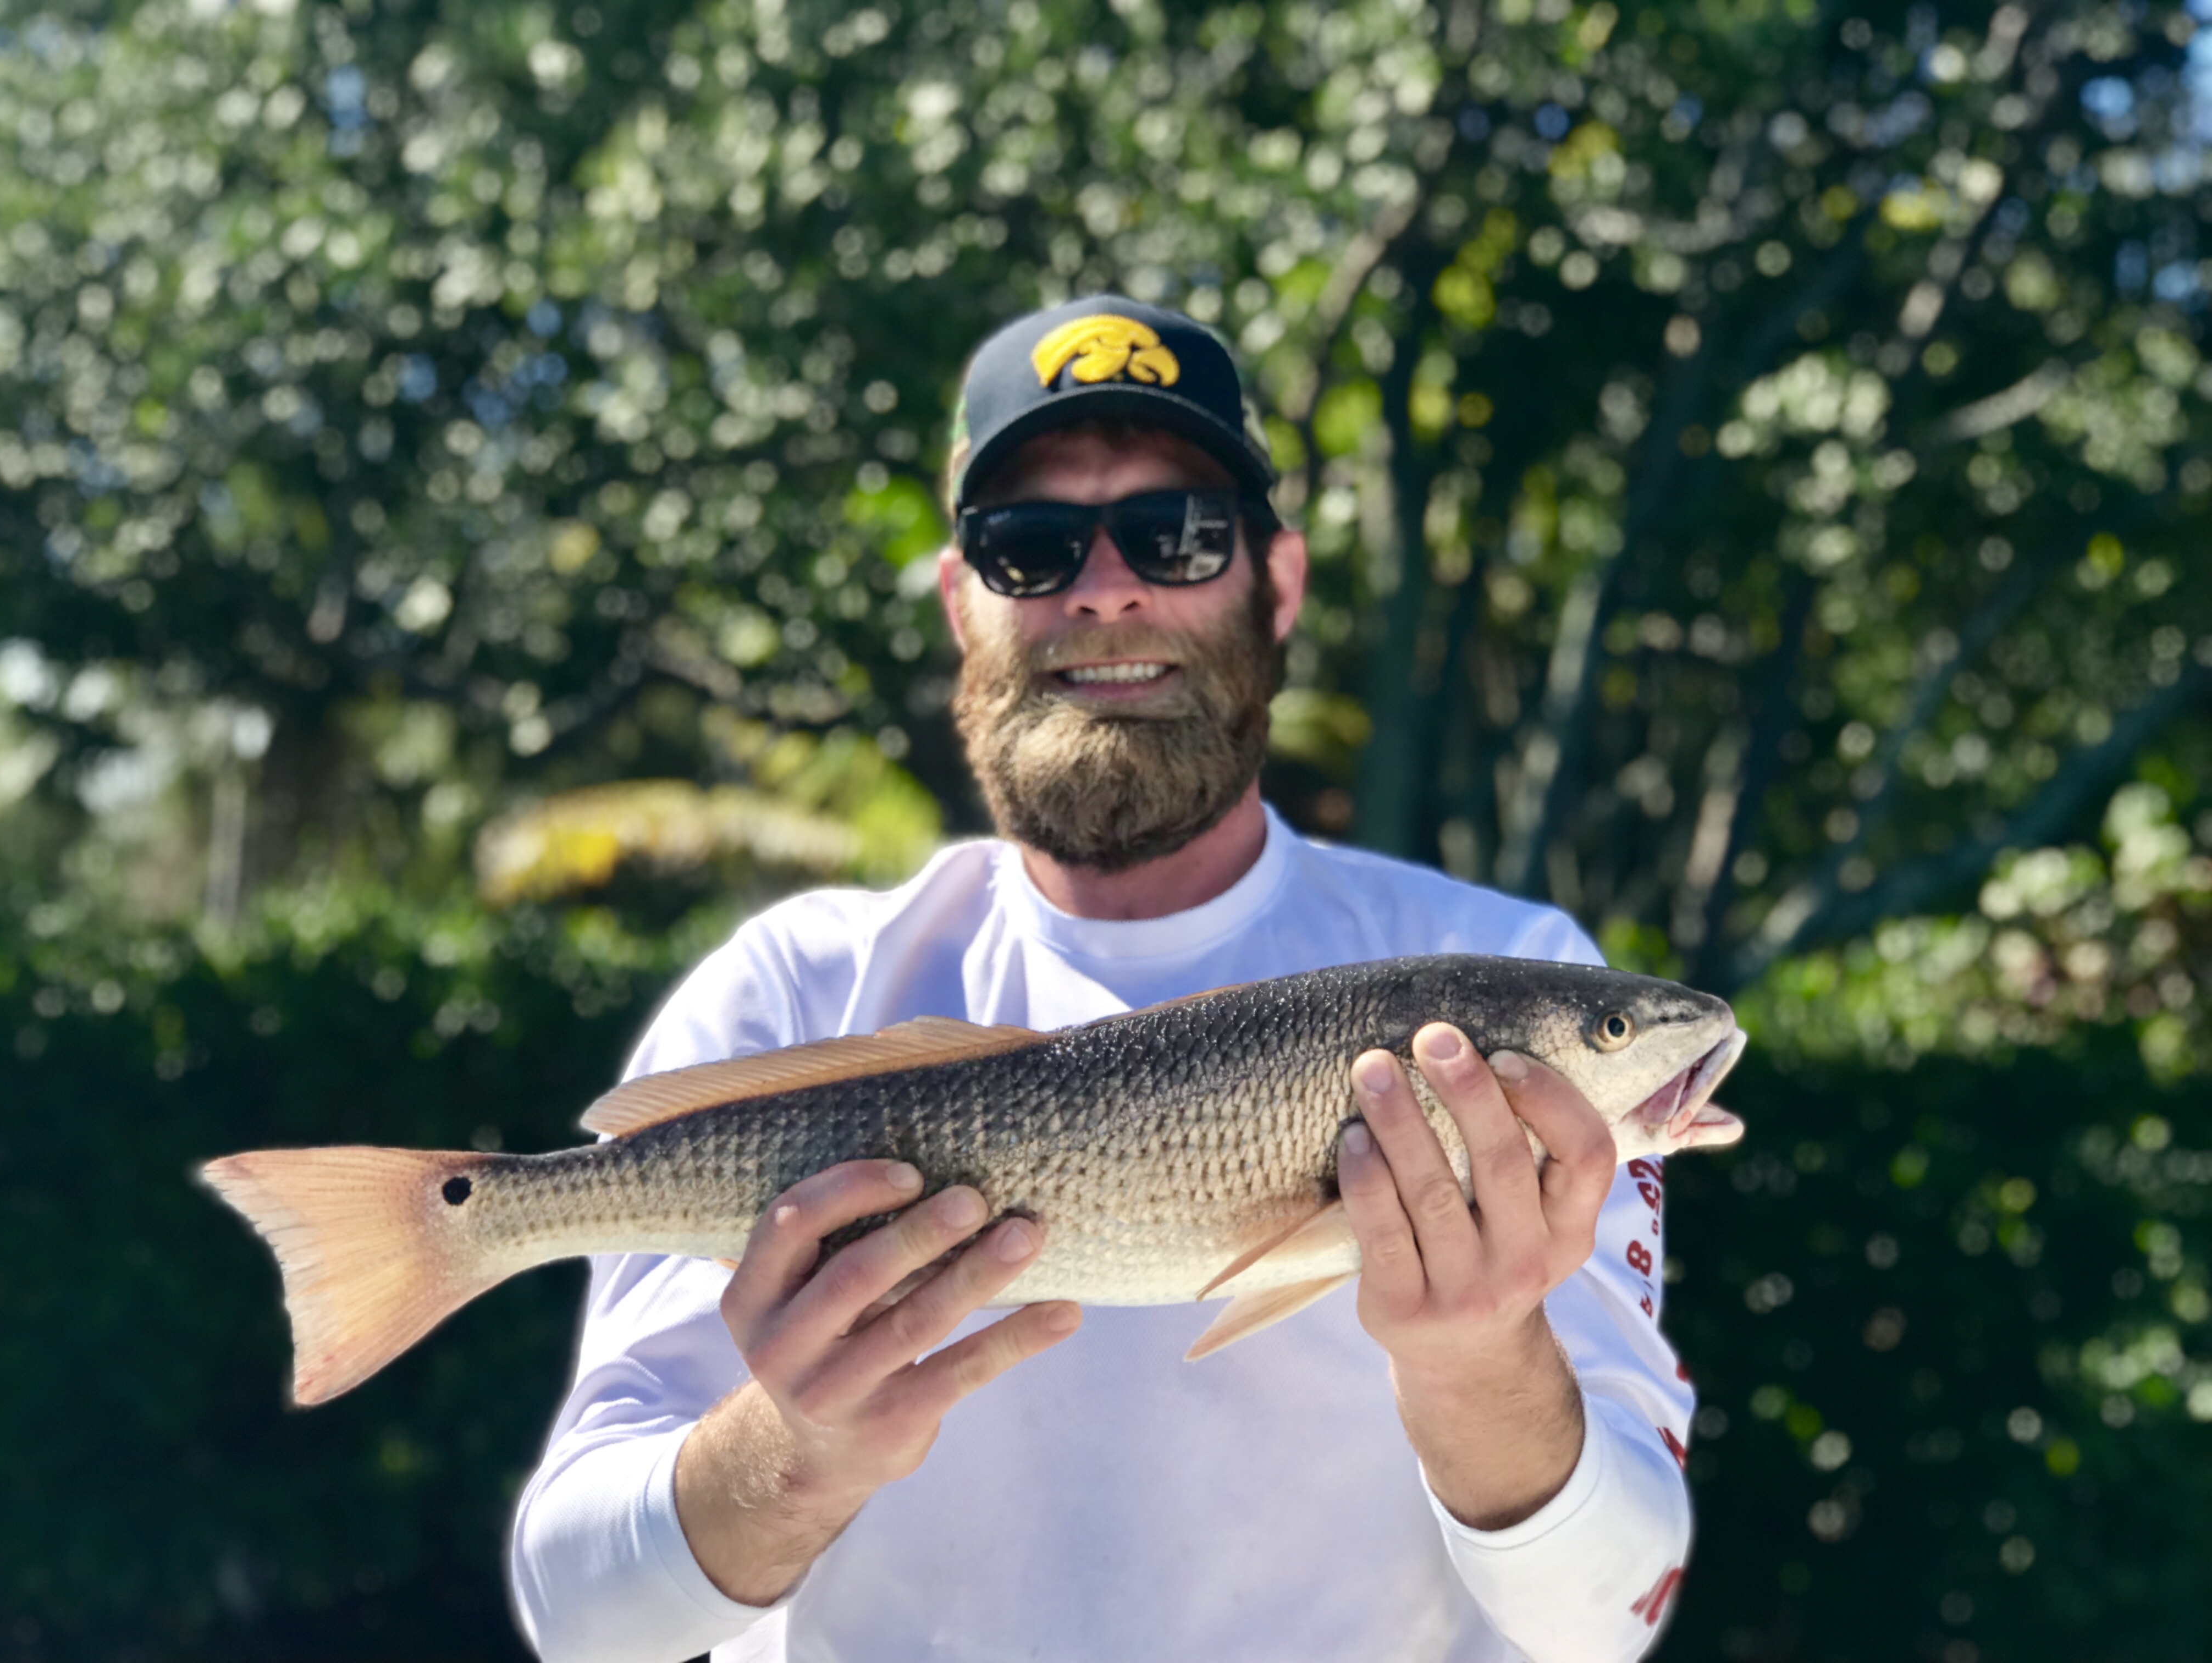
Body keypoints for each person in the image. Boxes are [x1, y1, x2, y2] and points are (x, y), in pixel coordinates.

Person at [510, 296, 1695, 1662]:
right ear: (963, 606)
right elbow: (582, 1623)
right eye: (1030, 546)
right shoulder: (794, 984)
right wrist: (799, 1449)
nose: (1106, 587)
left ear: (1281, 582)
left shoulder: (1529, 980)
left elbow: (1608, 1617)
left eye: (1178, 531)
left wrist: (1478, 1358)